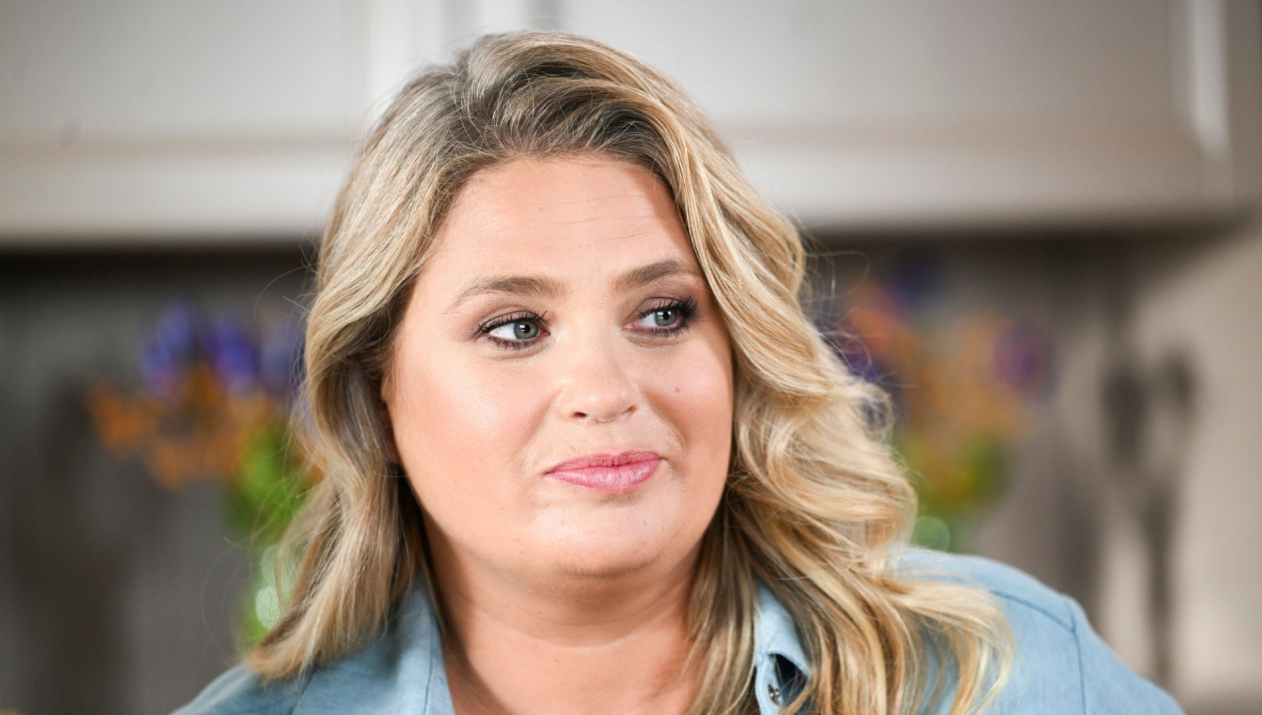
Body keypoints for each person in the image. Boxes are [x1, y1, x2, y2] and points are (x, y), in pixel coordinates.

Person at [177, 31, 1184, 715]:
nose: (606, 388)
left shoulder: (1005, 671)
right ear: (379, 387)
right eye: (515, 326)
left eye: (664, 313)